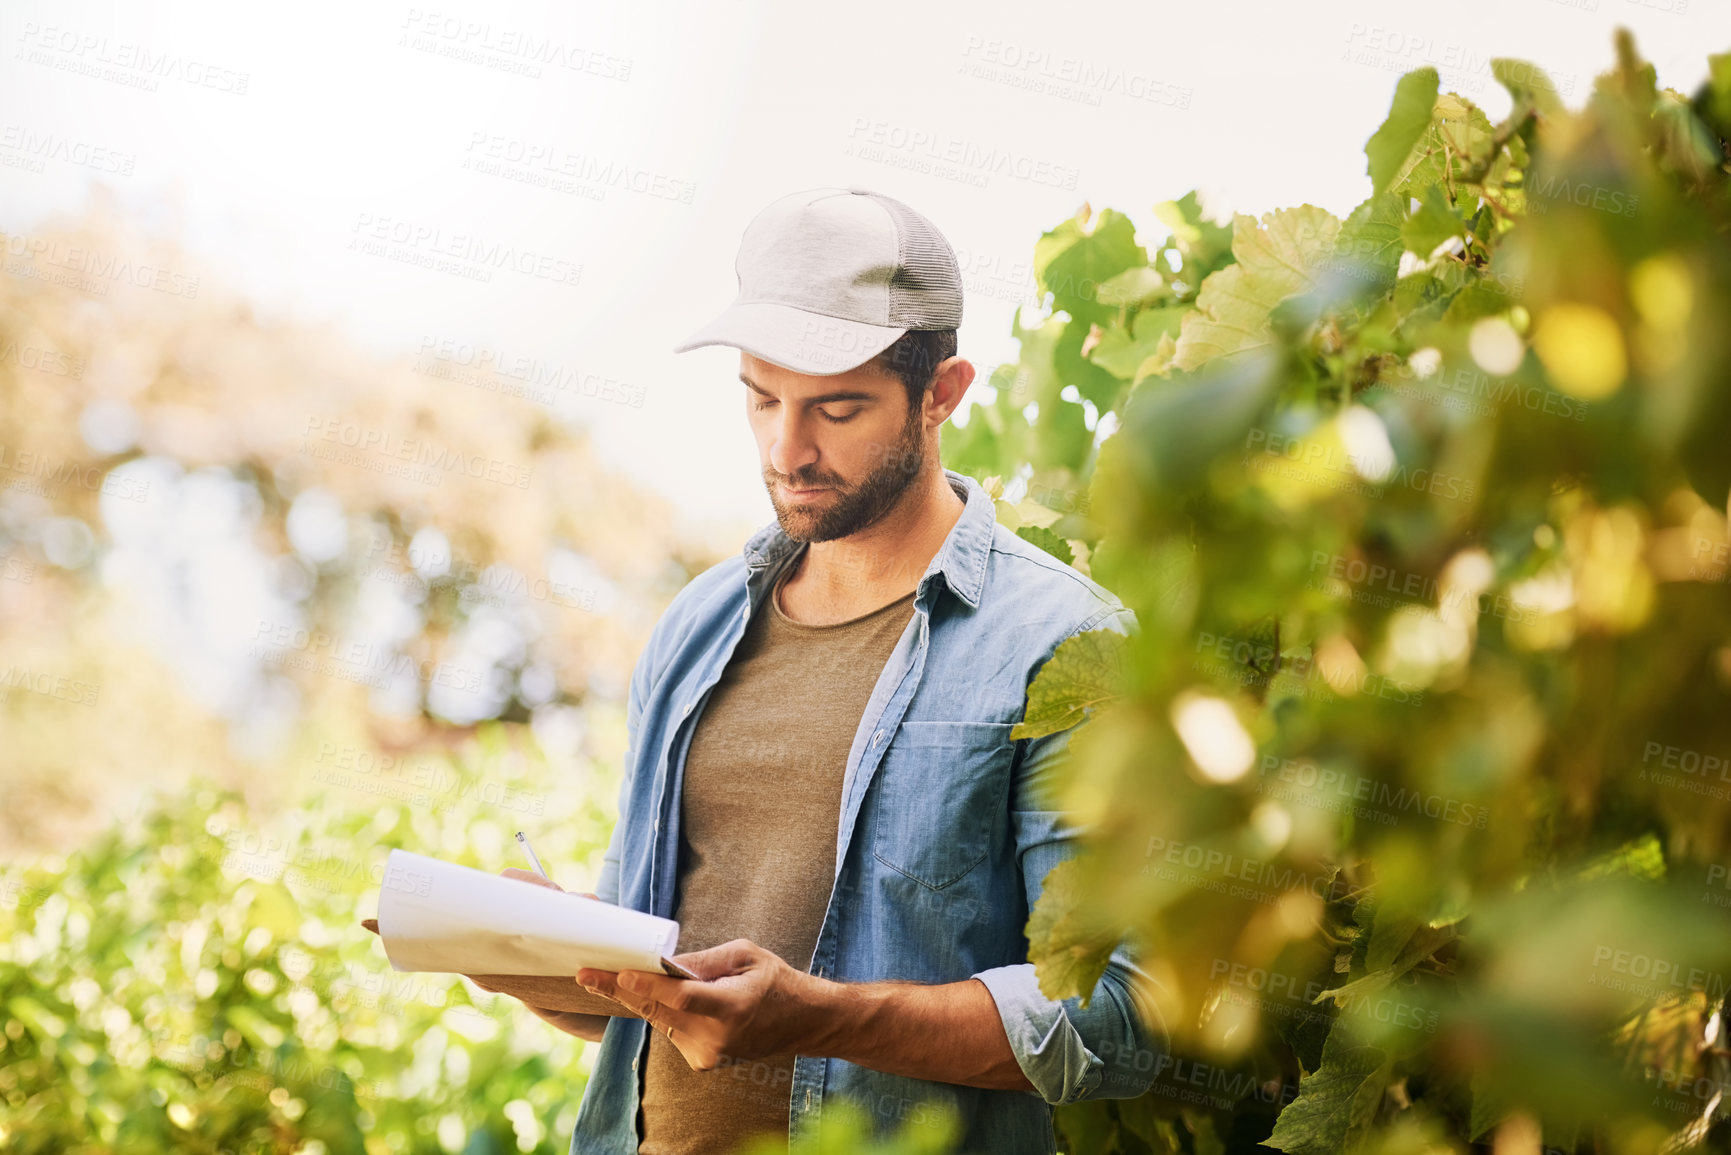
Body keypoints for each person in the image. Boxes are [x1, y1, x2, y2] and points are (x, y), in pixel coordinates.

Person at [473, 187, 1163, 1154]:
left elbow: (1117, 1020)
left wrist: (817, 1016)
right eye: (761, 399)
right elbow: (654, 1006)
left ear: (942, 393)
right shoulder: (696, 626)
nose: (786, 449)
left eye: (836, 409)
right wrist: (520, 950)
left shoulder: (1063, 644)